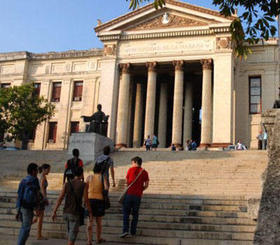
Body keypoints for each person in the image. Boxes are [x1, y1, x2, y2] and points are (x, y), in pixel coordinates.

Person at [52, 167, 92, 245]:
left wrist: (54, 211)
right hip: (75, 213)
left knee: (70, 236)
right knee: (72, 238)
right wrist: (90, 212)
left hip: (66, 212)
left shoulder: (67, 184)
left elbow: (60, 198)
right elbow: (86, 200)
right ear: (82, 174)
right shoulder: (84, 185)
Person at [120, 156, 149, 238]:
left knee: (126, 213)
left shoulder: (130, 170)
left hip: (129, 194)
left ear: (135, 162)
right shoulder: (144, 172)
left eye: (132, 163)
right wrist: (141, 189)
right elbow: (146, 185)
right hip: (138, 196)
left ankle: (125, 230)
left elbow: (127, 181)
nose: (131, 164)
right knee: (135, 214)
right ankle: (133, 231)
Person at [16, 163, 40, 245]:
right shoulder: (34, 180)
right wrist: (37, 208)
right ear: (33, 171)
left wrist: (18, 210)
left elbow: (19, 195)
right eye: (37, 170)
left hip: (23, 206)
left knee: (24, 227)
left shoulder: (23, 181)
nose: (37, 172)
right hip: (28, 208)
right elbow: (36, 195)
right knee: (26, 228)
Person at [86, 164, 108, 244]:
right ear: (101, 170)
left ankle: (89, 241)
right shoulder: (102, 177)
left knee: (90, 219)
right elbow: (106, 188)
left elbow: (86, 189)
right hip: (99, 200)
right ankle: (98, 239)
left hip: (90, 199)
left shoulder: (89, 177)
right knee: (99, 222)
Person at [36, 164, 51, 240]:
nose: (49, 171)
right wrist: (45, 198)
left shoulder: (41, 176)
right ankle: (39, 235)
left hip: (40, 198)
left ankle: (39, 234)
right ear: (44, 170)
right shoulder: (43, 177)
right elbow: (42, 188)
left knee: (39, 217)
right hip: (41, 198)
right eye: (48, 169)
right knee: (40, 217)